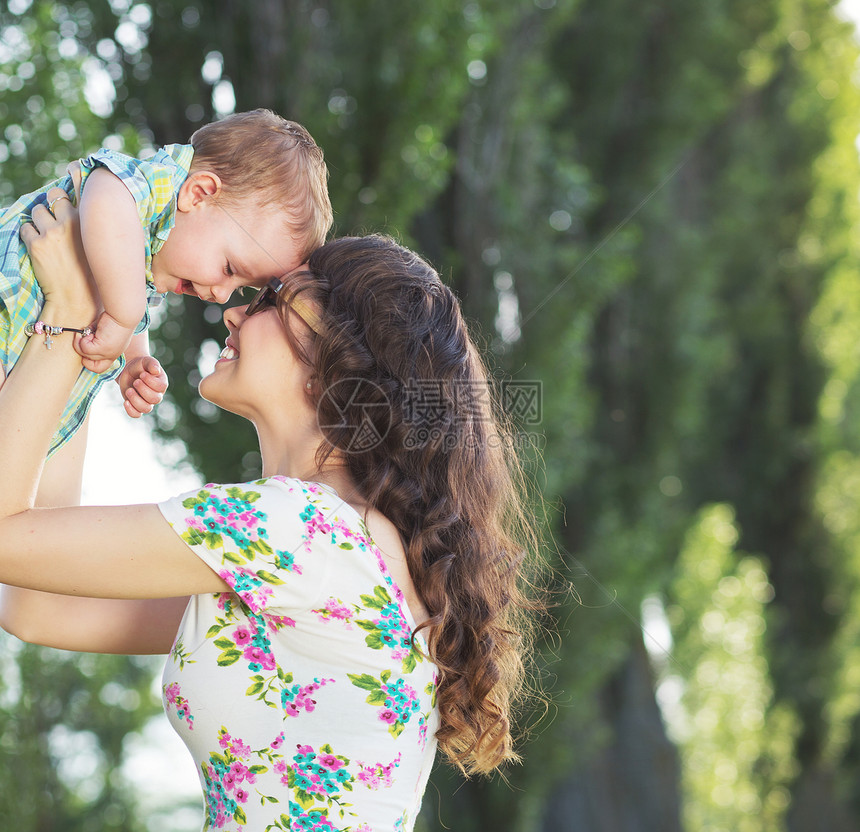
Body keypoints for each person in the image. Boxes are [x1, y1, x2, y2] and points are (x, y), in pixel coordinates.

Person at [0, 199, 541, 831]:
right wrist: (90, 345)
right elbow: (39, 605)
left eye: (268, 302)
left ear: (336, 355)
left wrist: (66, 319)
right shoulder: (318, 544)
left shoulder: (294, 529)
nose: (231, 310)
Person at [0, 109, 332, 512]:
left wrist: (134, 355)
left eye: (242, 287)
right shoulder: (148, 186)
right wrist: (122, 317)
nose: (222, 295)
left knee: (44, 513)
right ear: (199, 193)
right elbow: (105, 194)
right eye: (229, 268)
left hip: (37, 353)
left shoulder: (152, 252)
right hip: (8, 305)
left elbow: (123, 278)